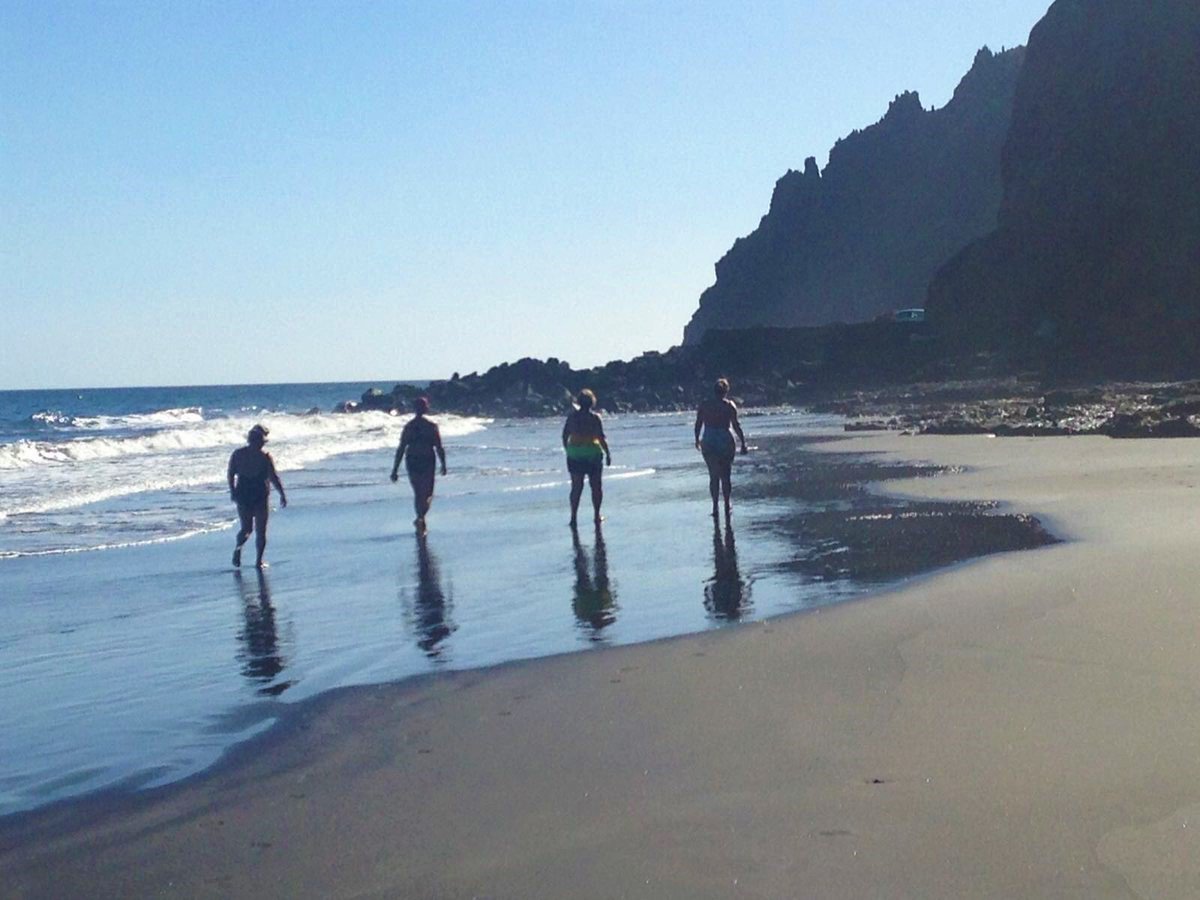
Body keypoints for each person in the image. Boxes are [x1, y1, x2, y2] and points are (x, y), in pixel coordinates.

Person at [228, 424, 287, 568]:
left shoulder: (238, 454)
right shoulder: (265, 457)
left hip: (243, 493)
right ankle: (258, 561)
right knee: (260, 530)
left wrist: (233, 490)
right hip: (259, 495)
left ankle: (239, 548)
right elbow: (273, 477)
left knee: (246, 529)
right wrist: (282, 494)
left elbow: (230, 474)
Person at [694, 377, 748, 519]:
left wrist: (696, 439)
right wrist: (743, 442)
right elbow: (736, 425)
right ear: (726, 391)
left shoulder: (705, 405)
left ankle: (714, 506)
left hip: (709, 438)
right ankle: (727, 503)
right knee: (726, 474)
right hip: (725, 437)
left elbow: (698, 423)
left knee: (713, 474)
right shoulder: (729, 405)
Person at [390, 397, 447, 532]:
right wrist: (443, 464)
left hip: (415, 460)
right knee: (427, 493)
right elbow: (439, 447)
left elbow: (401, 448)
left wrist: (395, 470)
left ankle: (420, 518)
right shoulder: (430, 426)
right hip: (425, 461)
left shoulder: (410, 426)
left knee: (420, 493)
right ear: (425, 408)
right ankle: (420, 518)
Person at [562, 389, 611, 527]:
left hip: (575, 455)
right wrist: (608, 453)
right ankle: (596, 515)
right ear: (592, 402)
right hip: (592, 455)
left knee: (576, 487)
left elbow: (565, 435)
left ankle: (573, 517)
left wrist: (568, 450)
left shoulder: (571, 417)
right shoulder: (595, 418)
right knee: (596, 486)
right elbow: (601, 438)